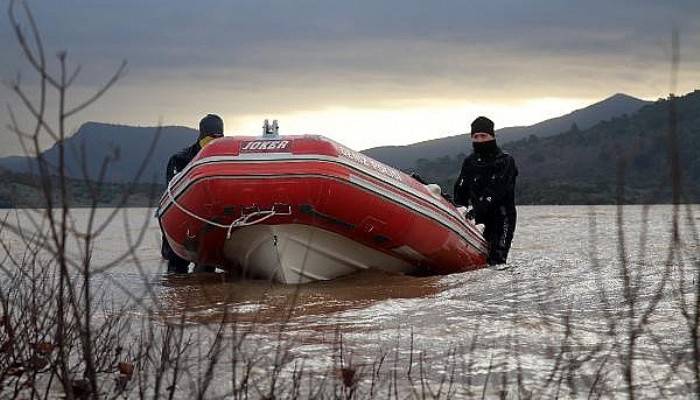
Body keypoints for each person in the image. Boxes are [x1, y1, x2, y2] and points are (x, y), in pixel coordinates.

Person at [161, 114, 224, 273]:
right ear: (202, 136)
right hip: (183, 224)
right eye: (210, 139)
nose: (213, 144)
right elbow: (170, 197)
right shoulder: (180, 159)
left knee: (206, 273)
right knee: (176, 270)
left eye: (218, 139)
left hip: (208, 226)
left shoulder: (223, 158)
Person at [453, 116, 517, 265]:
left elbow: (498, 191)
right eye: (476, 136)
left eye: (483, 136)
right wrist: (458, 208)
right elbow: (461, 189)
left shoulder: (506, 161)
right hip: (477, 217)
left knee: (496, 260)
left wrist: (478, 208)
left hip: (502, 218)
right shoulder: (470, 162)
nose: (480, 140)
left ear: (492, 136)